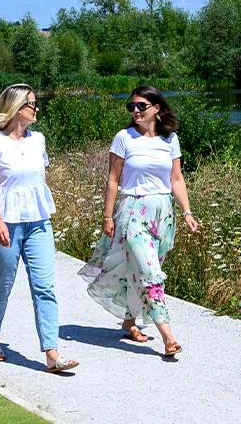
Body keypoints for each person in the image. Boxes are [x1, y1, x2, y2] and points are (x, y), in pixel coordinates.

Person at [82, 85, 200, 359]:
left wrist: (187, 212)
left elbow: (176, 180)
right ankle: (168, 337)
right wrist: (107, 216)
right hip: (133, 210)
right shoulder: (124, 138)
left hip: (163, 213)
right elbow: (112, 180)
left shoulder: (170, 140)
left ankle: (128, 321)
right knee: (149, 274)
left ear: (157, 108)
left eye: (141, 106)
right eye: (131, 107)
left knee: (137, 269)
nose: (135, 111)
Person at [0, 83, 79, 374]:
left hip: (38, 221)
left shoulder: (38, 140)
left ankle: (52, 353)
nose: (36, 109)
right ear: (16, 108)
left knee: (44, 286)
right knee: (2, 285)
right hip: (5, 223)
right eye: (32, 104)